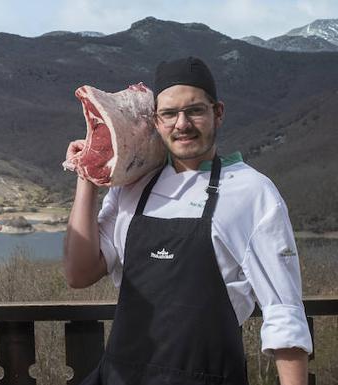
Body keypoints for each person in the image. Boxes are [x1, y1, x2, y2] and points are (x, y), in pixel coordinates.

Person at [64, 57, 312, 385]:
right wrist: (88, 174)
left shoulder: (253, 192)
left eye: (194, 110)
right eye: (169, 113)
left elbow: (284, 312)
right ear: (156, 120)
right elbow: (78, 273)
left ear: (217, 113)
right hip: (120, 376)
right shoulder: (134, 187)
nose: (182, 124)